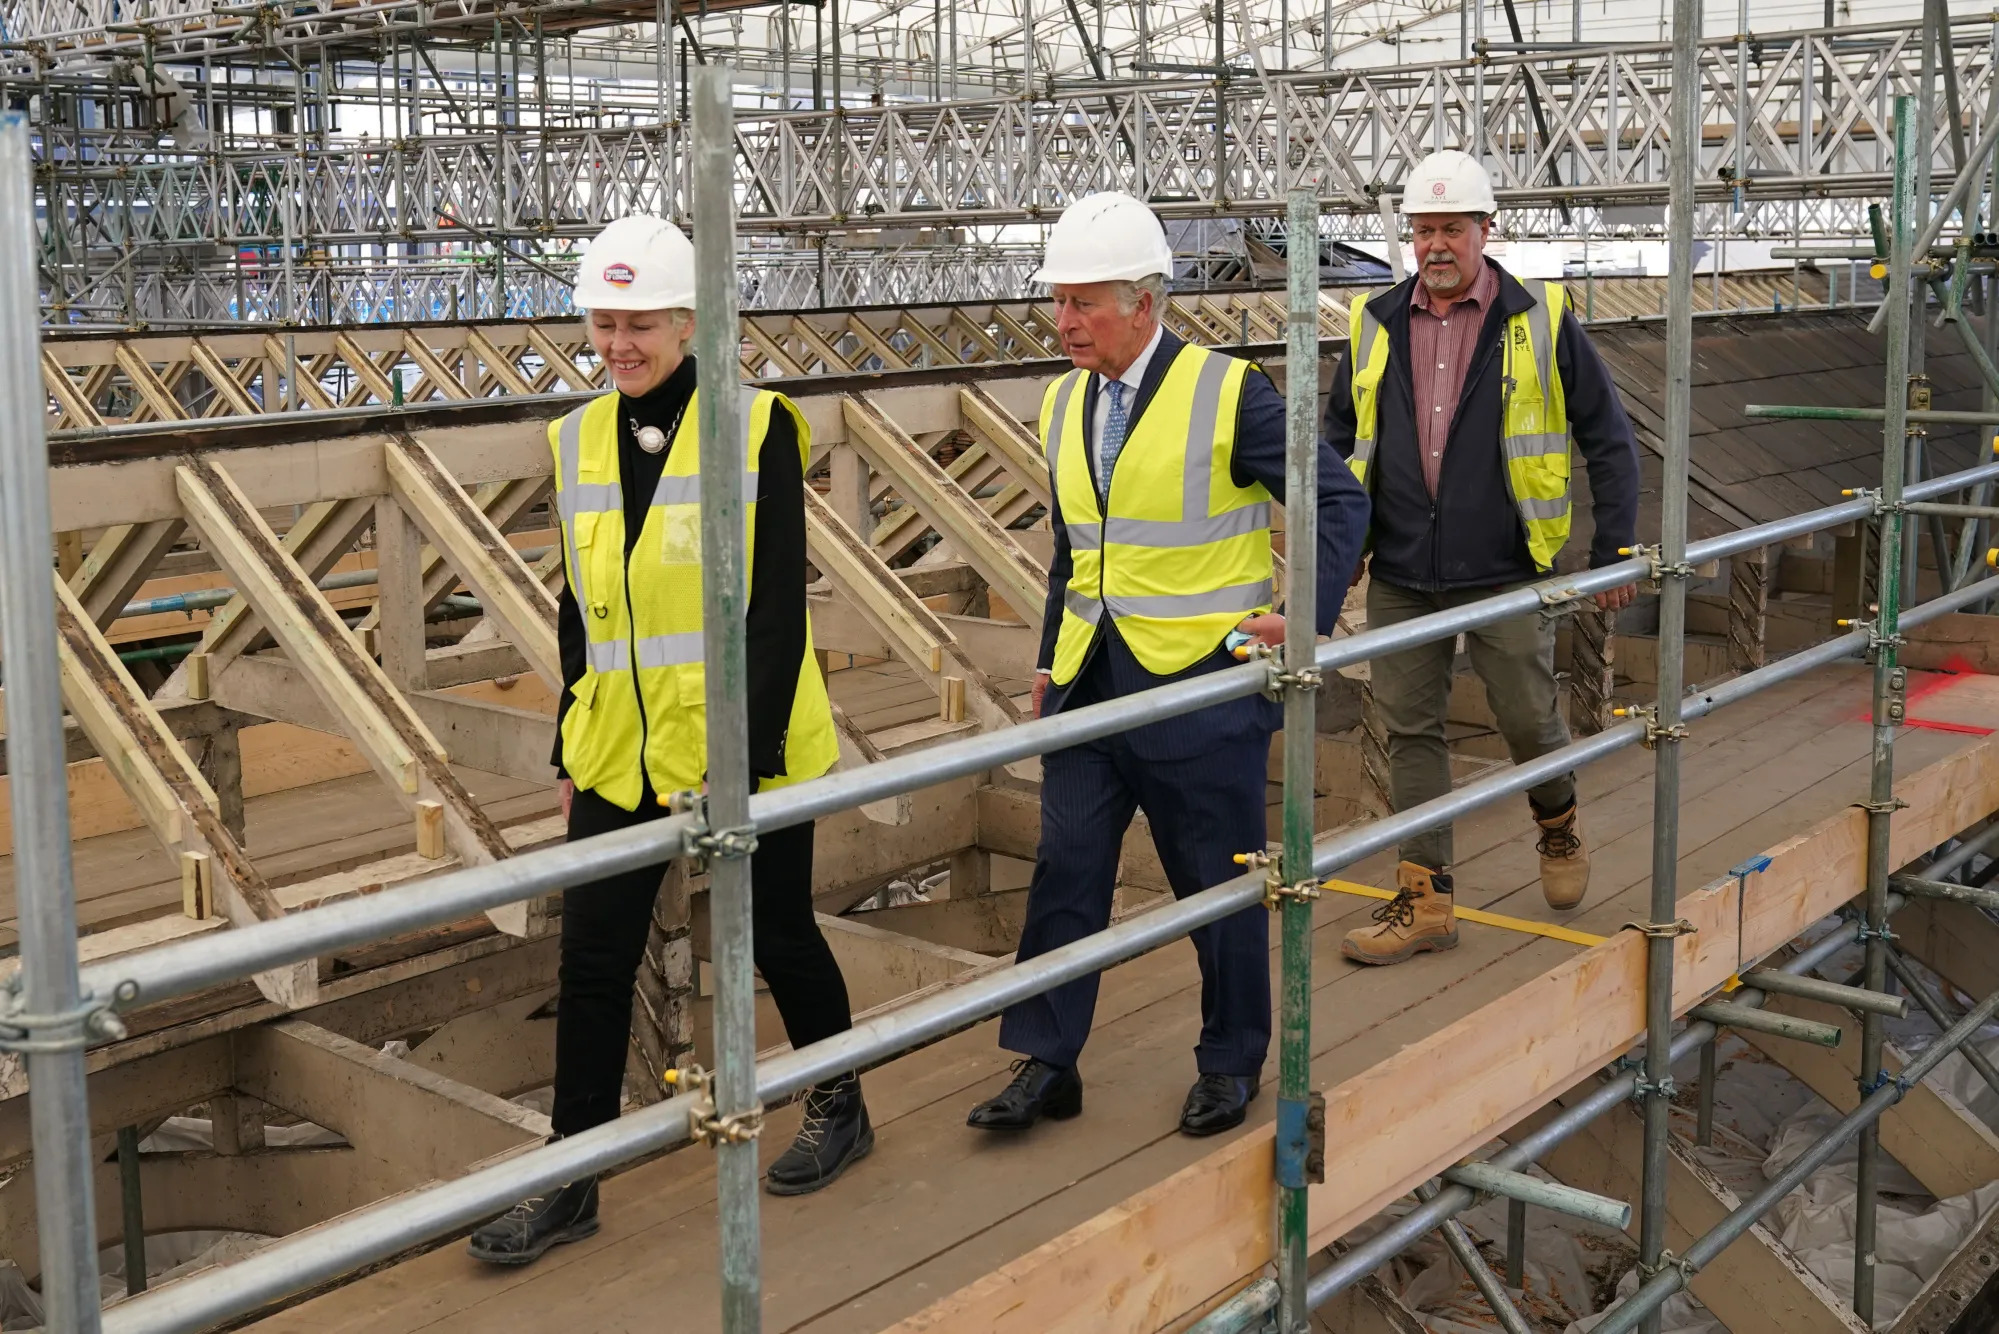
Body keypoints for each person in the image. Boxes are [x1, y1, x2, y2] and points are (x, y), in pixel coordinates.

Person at [469, 215, 872, 1266]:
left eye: (638, 323)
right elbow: (578, 608)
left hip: (744, 745)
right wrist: (571, 739)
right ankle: (572, 1175)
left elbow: (774, 607)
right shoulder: (573, 440)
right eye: (602, 325)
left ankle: (838, 1100)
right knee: (594, 957)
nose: (618, 345)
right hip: (618, 746)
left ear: (689, 321)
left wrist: (744, 759)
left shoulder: (756, 425)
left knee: (777, 934)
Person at [965, 193, 1371, 1139]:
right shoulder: (1063, 400)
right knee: (1065, 868)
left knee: (1215, 883)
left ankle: (1231, 1061)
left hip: (1195, 685)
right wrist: (1044, 664)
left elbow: (1334, 501)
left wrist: (1302, 618)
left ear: (1143, 303)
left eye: (1083, 304)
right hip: (1088, 679)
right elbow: (1077, 548)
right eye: (1057, 303)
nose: (1062, 322)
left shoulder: (1230, 392)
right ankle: (1046, 1059)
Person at [1326, 150, 1641, 967]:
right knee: (1410, 732)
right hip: (1400, 571)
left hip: (1505, 568)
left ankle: (1557, 818)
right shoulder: (1373, 322)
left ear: (1484, 231)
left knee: (1527, 718)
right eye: (1422, 230)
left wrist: (1611, 550)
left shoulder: (1536, 319)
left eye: (1451, 229)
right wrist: (1344, 544)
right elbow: (1341, 443)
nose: (1435, 245)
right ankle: (1425, 899)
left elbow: (1606, 439)